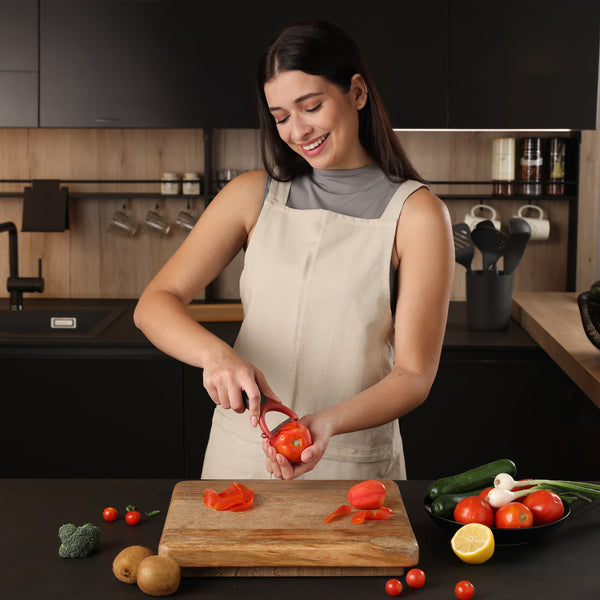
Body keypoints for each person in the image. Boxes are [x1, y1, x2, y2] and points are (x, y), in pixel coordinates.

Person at [134, 19, 454, 481]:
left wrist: (326, 423)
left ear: (357, 92)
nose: (298, 130)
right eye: (281, 116)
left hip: (353, 464)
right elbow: (154, 304)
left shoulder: (417, 215)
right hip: (241, 453)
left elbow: (413, 376)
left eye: (311, 107)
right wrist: (215, 355)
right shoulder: (251, 195)